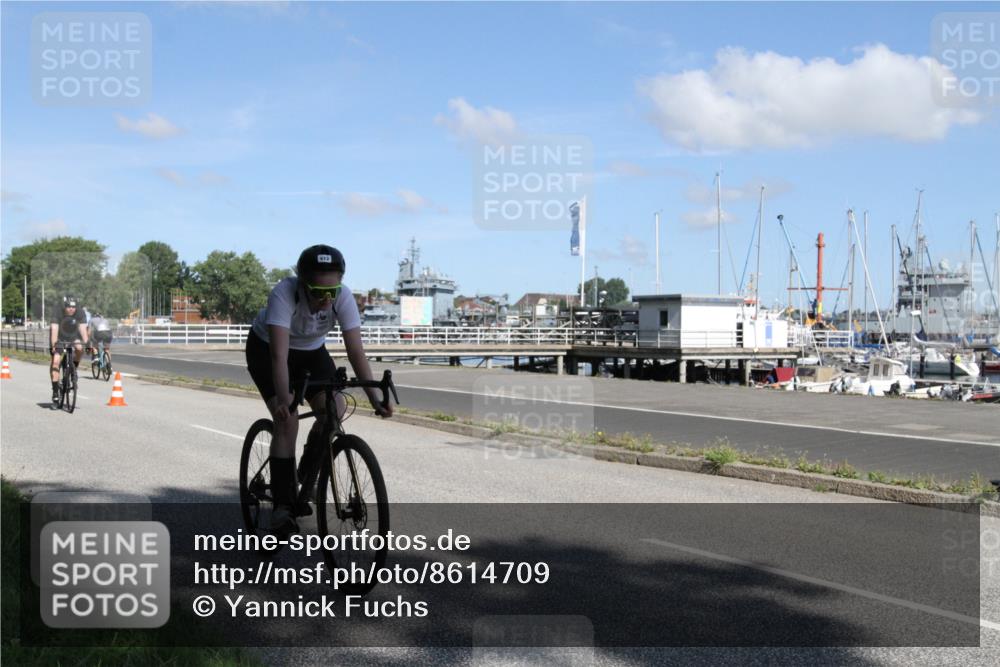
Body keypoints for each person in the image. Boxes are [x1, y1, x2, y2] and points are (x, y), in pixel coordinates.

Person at [245, 245, 392, 536]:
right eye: (317, 291)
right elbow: (278, 358)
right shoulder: (283, 295)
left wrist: (375, 399)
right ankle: (283, 507)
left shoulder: (344, 297)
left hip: (311, 352)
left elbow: (356, 352)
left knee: (335, 408)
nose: (326, 299)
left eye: (332, 292)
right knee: (287, 421)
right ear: (302, 283)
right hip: (268, 350)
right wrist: (285, 400)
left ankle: (306, 475)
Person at [49, 296, 91, 406]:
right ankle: (55, 393)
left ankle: (73, 368)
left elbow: (82, 329)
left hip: (72, 334)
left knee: (79, 348)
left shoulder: (80, 312)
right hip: (59, 336)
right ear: (64, 307)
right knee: (56, 361)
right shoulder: (57, 312)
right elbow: (54, 329)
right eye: (69, 307)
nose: (71, 309)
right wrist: (54, 345)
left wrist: (87, 343)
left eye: (73, 307)